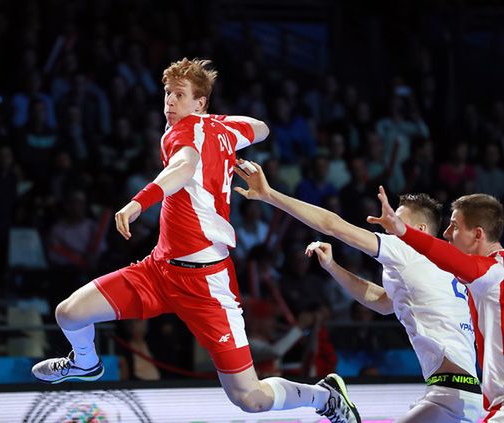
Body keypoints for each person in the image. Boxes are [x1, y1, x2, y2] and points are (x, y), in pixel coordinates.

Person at [32, 58, 361, 423]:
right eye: (167, 94)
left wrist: (139, 202)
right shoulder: (221, 128)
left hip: (208, 285)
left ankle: (324, 397)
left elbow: (184, 166)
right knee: (69, 312)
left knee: (249, 398)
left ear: (200, 102)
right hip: (159, 270)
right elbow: (262, 128)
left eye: (180, 95)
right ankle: (86, 362)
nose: (170, 102)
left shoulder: (182, 132)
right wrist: (223, 129)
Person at [233, 161, 482, 422]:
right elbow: (383, 302)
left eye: (396, 220)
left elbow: (332, 224)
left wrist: (269, 194)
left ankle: (330, 399)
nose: (389, 225)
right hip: (459, 392)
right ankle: (330, 398)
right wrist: (332, 266)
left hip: (453, 395)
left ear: (419, 230)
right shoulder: (441, 267)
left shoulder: (408, 249)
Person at [369, 187, 504, 422]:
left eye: (455, 226)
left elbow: (444, 255)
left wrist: (402, 231)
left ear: (478, 234)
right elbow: (384, 302)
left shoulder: (491, 273)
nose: (447, 233)